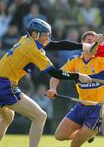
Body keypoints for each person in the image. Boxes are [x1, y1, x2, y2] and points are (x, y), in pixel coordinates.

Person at [0, 18, 92, 147]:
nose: (48, 38)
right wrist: (78, 76)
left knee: (8, 116)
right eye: (45, 35)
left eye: (48, 35)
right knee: (40, 116)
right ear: (35, 34)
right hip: (5, 86)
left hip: (3, 83)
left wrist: (83, 46)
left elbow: (56, 45)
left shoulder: (26, 39)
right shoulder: (32, 50)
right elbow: (55, 73)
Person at [46, 31, 104, 147]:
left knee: (75, 143)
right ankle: (88, 134)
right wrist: (53, 89)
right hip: (81, 105)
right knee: (59, 136)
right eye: (89, 41)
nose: (92, 44)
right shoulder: (74, 60)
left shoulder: (103, 60)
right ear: (82, 43)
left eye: (94, 42)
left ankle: (87, 133)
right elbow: (57, 75)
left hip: (98, 108)